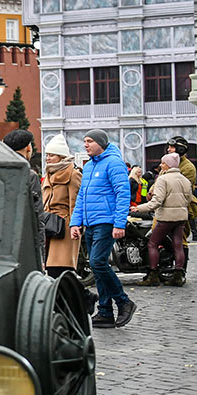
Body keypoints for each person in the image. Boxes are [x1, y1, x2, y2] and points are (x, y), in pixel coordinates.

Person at [70, 129, 136, 329]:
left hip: (106, 222)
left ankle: (123, 301)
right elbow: (82, 197)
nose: (85, 145)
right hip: (90, 223)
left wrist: (119, 224)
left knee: (98, 262)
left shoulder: (114, 163)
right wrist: (76, 222)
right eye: (85, 141)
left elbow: (123, 194)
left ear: (101, 143)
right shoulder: (89, 166)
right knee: (97, 267)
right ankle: (105, 312)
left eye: (90, 141)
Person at [131, 152, 192, 286]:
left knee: (152, 243)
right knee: (178, 245)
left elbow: (156, 202)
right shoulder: (184, 179)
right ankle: (178, 275)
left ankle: (153, 275)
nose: (160, 165)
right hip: (181, 217)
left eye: (163, 163)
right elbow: (188, 199)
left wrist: (138, 208)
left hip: (165, 217)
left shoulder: (163, 180)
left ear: (168, 165)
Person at [1, 129, 45, 270]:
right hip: (24, 242)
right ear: (28, 147)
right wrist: (41, 256)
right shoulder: (29, 175)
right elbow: (37, 218)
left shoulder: (0, 171)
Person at [41, 135, 82, 279]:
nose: (48, 158)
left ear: (61, 156)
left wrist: (75, 225)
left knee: (61, 269)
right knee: (51, 270)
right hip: (47, 225)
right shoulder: (48, 174)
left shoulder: (73, 174)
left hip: (64, 227)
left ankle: (84, 297)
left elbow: (75, 203)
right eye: (47, 155)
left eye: (52, 155)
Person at [168, 136, 197, 240]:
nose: (168, 149)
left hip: (180, 208)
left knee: (180, 240)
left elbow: (182, 190)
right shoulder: (168, 164)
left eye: (171, 147)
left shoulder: (188, 167)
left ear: (180, 150)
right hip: (167, 208)